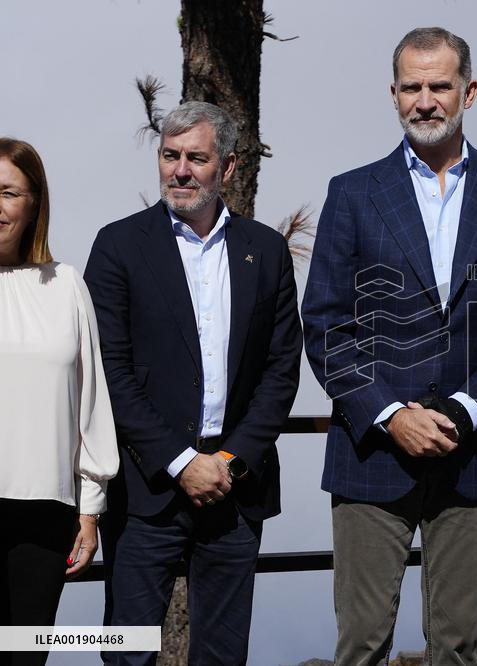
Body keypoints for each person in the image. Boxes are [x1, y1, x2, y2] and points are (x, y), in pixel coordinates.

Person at [301, 27, 477, 665]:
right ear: (393, 95)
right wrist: (391, 414)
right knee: (360, 644)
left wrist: (468, 408)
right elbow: (326, 322)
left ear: (468, 91)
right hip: (372, 451)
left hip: (474, 452)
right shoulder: (353, 193)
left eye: (439, 85)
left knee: (457, 645)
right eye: (411, 87)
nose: (425, 100)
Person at [85, 102, 302, 665]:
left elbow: (280, 370)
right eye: (169, 155)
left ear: (226, 168)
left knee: (223, 654)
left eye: (195, 158)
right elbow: (111, 372)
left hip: (236, 489)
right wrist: (182, 462)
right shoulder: (118, 246)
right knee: (127, 651)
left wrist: (229, 461)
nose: (179, 170)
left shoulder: (266, 250)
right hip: (146, 490)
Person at [0, 138, 118, 665]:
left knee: (25, 655)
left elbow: (91, 402)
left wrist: (90, 509)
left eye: (7, 192)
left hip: (46, 514)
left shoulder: (66, 285)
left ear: (33, 203)